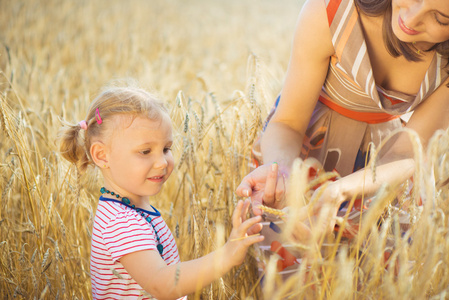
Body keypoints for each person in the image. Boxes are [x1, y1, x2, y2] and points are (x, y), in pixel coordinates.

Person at [236, 0, 449, 275]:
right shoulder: (332, 11)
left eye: (441, 19)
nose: (412, 17)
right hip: (306, 151)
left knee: (375, 279)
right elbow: (288, 121)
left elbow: (408, 152)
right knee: (295, 279)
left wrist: (342, 190)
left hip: (383, 168)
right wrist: (284, 171)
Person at [59, 84, 264, 299]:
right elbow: (161, 284)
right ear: (101, 155)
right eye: (145, 151)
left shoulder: (129, 208)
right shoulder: (120, 221)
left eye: (166, 149)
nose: (161, 162)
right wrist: (226, 256)